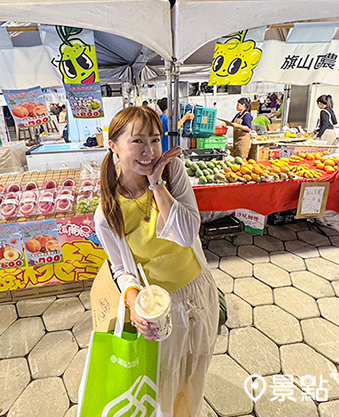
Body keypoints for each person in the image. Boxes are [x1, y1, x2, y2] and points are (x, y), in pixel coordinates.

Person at [94, 106, 218, 417]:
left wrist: (156, 183)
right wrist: (134, 302)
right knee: (163, 379)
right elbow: (121, 269)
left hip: (199, 289)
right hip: (162, 304)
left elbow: (188, 233)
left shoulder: (172, 173)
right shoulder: (107, 213)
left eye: (155, 139)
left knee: (197, 367)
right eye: (137, 141)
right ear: (114, 146)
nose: (149, 151)